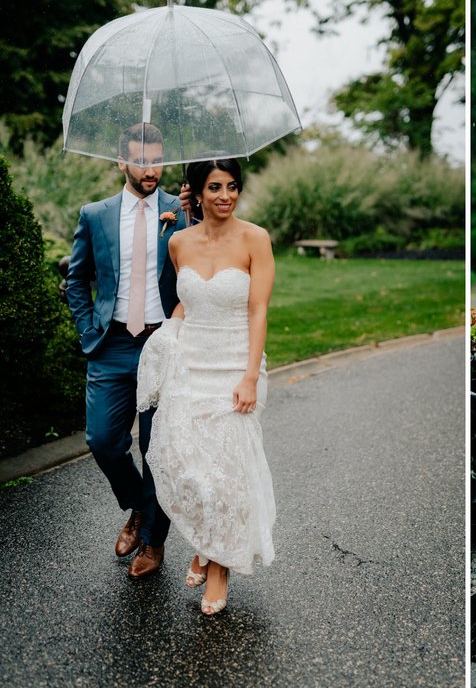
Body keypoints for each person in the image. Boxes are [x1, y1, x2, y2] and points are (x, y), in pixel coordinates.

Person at [137, 157, 276, 616]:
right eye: (215, 187)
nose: (225, 196)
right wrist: (167, 337)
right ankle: (204, 540)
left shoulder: (256, 239)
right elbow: (183, 304)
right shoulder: (178, 243)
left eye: (232, 186)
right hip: (190, 368)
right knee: (185, 465)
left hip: (234, 367)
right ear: (196, 192)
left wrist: (250, 375)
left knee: (228, 475)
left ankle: (219, 567)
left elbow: (258, 310)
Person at [66, 122, 183, 578]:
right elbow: (76, 279)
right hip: (111, 343)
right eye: (141, 161)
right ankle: (137, 505)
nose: (151, 170)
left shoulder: (181, 210)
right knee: (103, 441)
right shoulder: (95, 214)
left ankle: (153, 542)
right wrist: (86, 331)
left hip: (163, 343)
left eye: (157, 161)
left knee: (159, 449)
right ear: (122, 162)